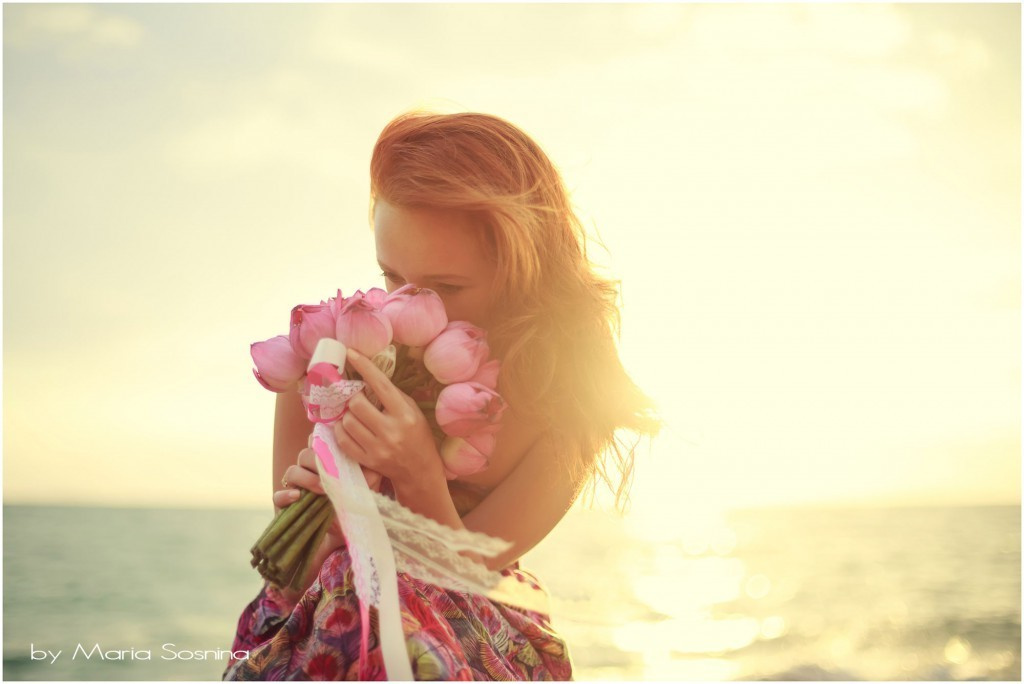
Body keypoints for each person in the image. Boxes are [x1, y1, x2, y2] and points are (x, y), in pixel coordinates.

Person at [223, 111, 658, 680]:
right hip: (322, 628)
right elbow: (294, 576)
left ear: (525, 269)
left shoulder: (567, 407)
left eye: (447, 287)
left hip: (467, 637)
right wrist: (329, 527)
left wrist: (418, 472)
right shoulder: (332, 360)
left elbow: (471, 573)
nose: (406, 304)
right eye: (389, 276)